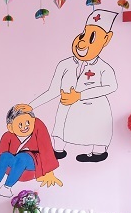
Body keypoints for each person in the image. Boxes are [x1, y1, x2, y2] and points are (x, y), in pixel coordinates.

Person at [27, 9, 119, 162]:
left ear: (106, 39)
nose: (82, 43)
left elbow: (111, 86)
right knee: (61, 129)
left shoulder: (104, 68)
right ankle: (58, 150)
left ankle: (98, 153)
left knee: (96, 131)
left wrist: (81, 95)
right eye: (83, 35)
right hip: (68, 107)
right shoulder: (64, 65)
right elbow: (53, 90)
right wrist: (31, 106)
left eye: (92, 38)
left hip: (94, 109)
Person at [0, 106, 62, 198]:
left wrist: (48, 172)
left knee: (22, 157)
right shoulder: (7, 136)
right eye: (20, 124)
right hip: (16, 165)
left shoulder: (37, 131)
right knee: (5, 156)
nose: (24, 127)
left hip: (34, 163)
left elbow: (46, 149)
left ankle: (6, 188)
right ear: (10, 127)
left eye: (28, 123)